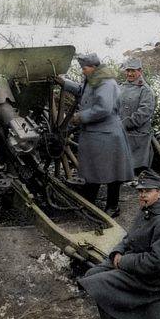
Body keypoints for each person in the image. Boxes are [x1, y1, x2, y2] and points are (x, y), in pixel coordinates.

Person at [79, 168, 160, 319]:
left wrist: (123, 262)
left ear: (159, 193)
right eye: (141, 191)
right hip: (138, 269)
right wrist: (116, 253)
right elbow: (129, 238)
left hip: (155, 279)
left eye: (148, 191)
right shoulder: (147, 212)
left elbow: (157, 263)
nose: (143, 195)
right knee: (92, 273)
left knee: (101, 282)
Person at [54, 53, 133, 216]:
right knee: (93, 170)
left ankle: (112, 206)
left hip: (107, 133)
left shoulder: (105, 83)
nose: (83, 71)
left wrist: (80, 117)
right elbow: (83, 91)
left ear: (94, 67)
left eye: (85, 68)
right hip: (97, 133)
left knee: (113, 172)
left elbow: (103, 108)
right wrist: (65, 83)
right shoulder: (95, 78)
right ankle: (89, 203)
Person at [119, 57, 156, 173]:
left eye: (133, 71)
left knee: (133, 172)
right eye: (128, 70)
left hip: (136, 137)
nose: (129, 74)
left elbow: (143, 113)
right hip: (120, 133)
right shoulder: (121, 87)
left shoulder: (145, 91)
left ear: (140, 71)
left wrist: (124, 124)